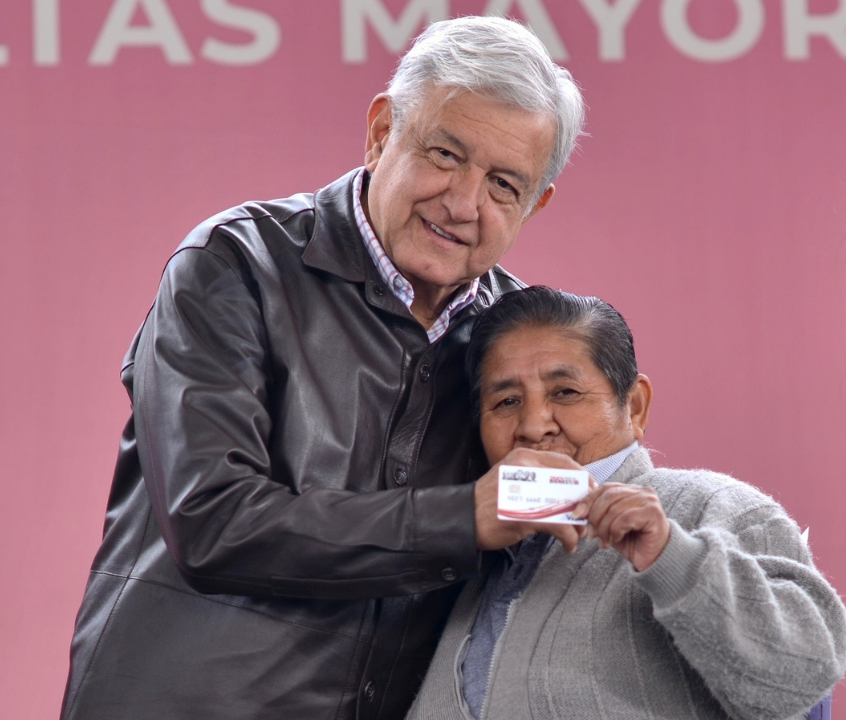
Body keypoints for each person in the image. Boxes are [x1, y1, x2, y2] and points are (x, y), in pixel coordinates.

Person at [59, 17, 588, 720]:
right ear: (381, 131)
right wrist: (466, 517)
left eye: (502, 185)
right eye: (444, 154)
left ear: (535, 203)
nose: (463, 204)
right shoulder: (235, 265)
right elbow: (214, 522)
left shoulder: (521, 339)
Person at [406, 286, 846, 720]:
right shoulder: (476, 557)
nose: (534, 425)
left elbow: (802, 678)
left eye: (565, 392)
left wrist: (673, 557)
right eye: (506, 401)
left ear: (635, 406)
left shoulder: (715, 507)